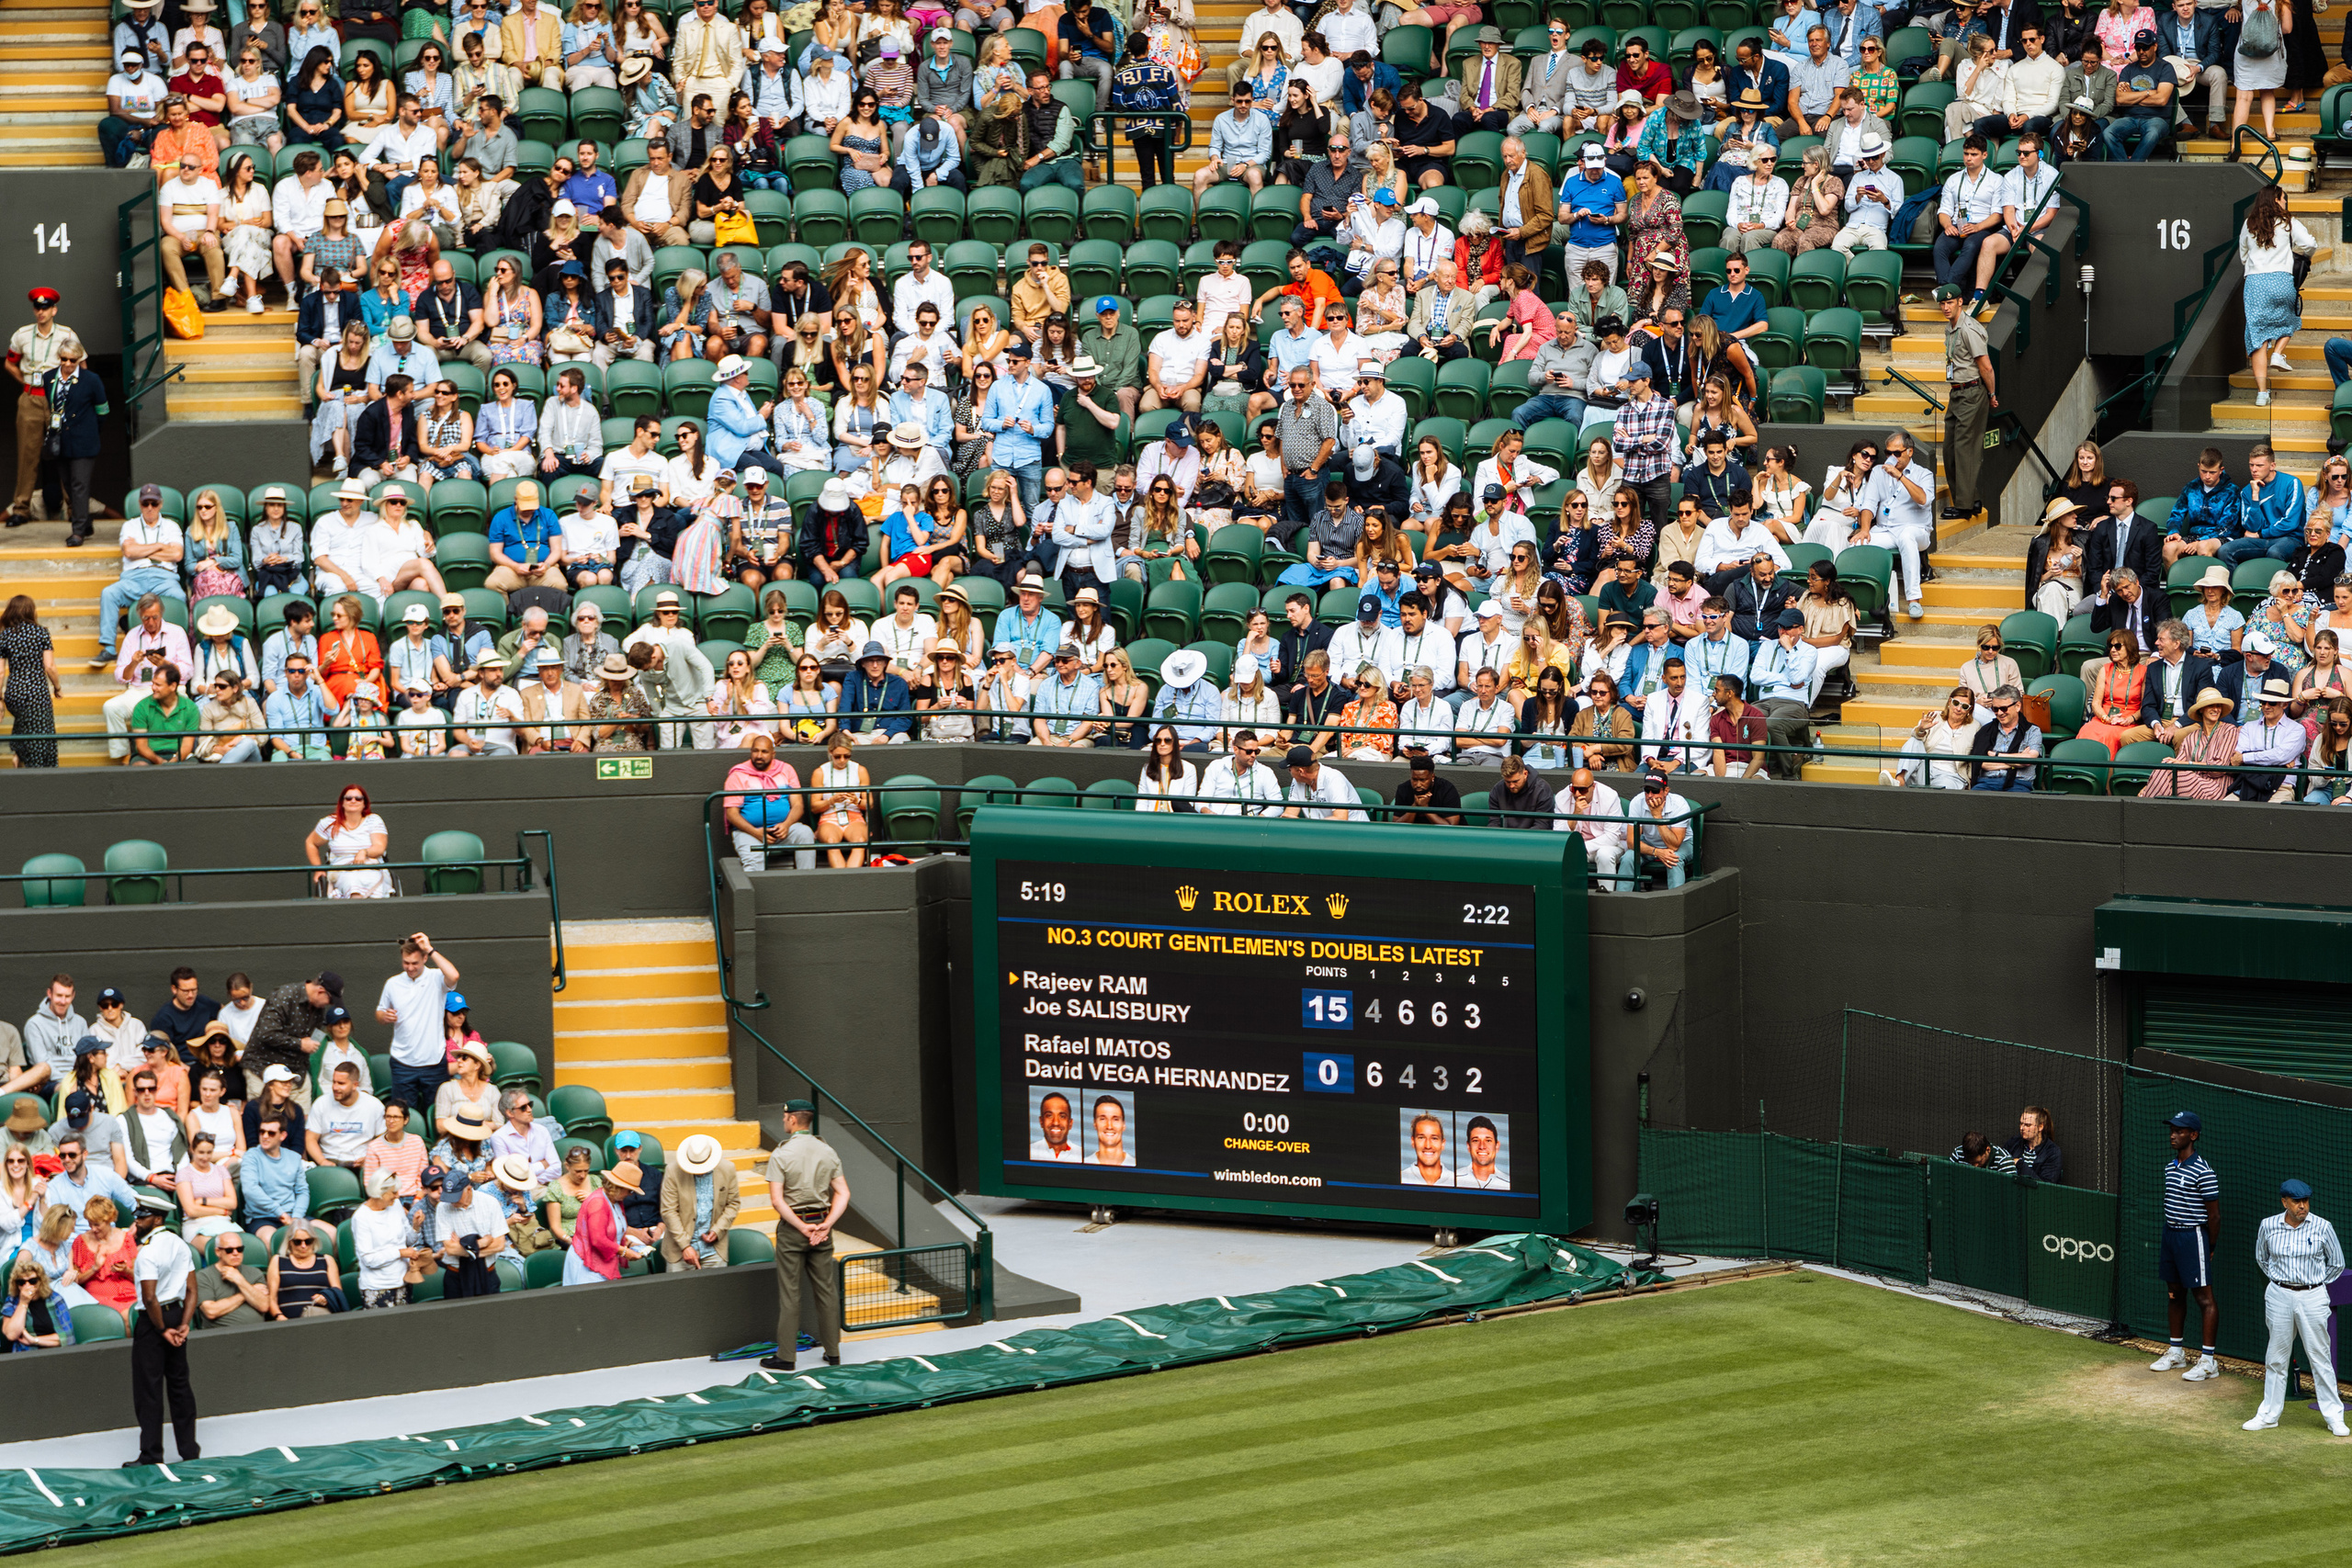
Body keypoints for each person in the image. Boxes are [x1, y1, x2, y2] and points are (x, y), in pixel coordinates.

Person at [2242, 1177, 2349, 1434]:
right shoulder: (2268, 1226)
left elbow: (2337, 1264)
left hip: (2312, 1297)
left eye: (2306, 1201)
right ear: (2284, 1202)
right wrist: (2283, 1283)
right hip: (2279, 1295)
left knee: (2320, 1358)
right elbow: (2262, 1259)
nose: (2303, 1206)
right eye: (2297, 1201)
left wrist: (2313, 1285)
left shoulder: (2323, 1227)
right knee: (2276, 1358)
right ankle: (2269, 1414)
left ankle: (2334, 1417)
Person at [761, 1099, 846, 1371]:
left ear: (793, 1119)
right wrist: (826, 1224)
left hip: (794, 1230)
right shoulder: (827, 1150)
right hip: (822, 1227)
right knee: (827, 1292)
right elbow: (843, 1193)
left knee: (790, 1295)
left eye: (785, 1117)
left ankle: (786, 1357)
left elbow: (777, 1201)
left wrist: (801, 1227)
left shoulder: (781, 1154)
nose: (783, 1120)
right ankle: (833, 1353)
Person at [126, 1195, 199, 1464]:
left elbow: (149, 1298)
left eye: (142, 1216)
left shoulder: (147, 1251)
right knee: (180, 1386)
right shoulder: (180, 1244)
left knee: (149, 1390)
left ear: (157, 1219)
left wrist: (161, 1329)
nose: (137, 1220)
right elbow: (192, 1291)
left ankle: (151, 1454)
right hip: (177, 1315)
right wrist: (183, 1324)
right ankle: (189, 1451)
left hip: (152, 1322)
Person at [2152, 1109, 2223, 1382]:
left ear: (2193, 1135)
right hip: (2170, 1235)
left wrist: (2210, 1245)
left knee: (2204, 1298)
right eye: (2172, 1130)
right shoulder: (2170, 1167)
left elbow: (2214, 1215)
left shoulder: (2204, 1171)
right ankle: (2176, 1352)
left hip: (2194, 1237)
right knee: (2174, 1293)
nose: (2173, 1134)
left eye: (2179, 1130)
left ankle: (2208, 1361)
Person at [1936, 284, 1997, 523]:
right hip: (1957, 392)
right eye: (1942, 303)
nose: (1945, 307)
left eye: (1949, 303)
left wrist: (1991, 394)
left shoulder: (1969, 328)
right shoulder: (1950, 328)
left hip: (1972, 391)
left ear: (1960, 302)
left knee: (1965, 449)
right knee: (1951, 448)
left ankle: (1964, 505)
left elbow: (1986, 366)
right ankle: (1970, 498)